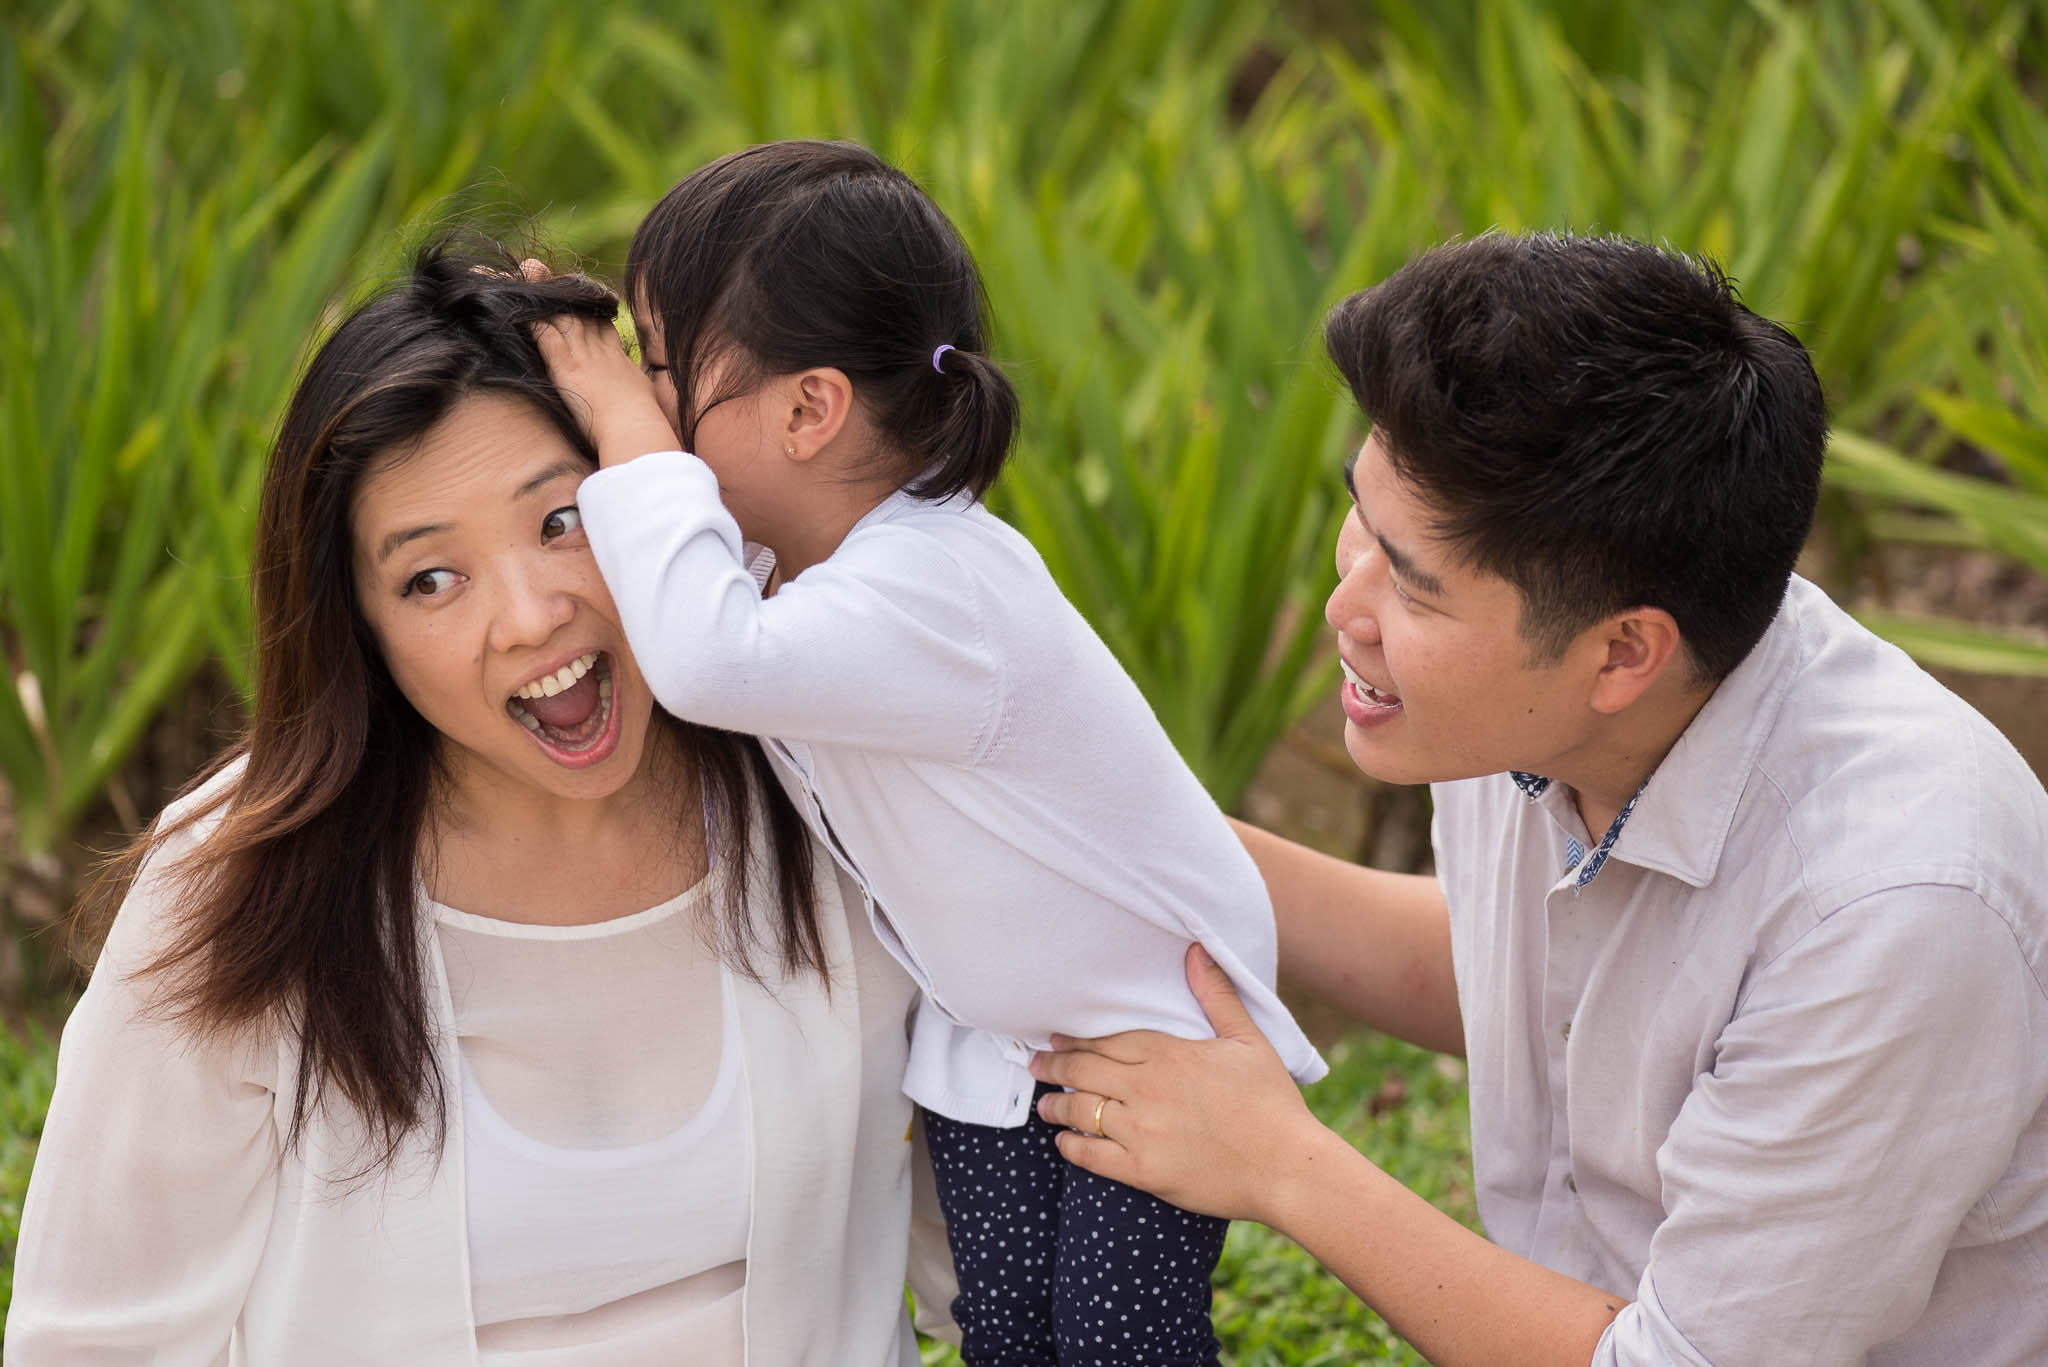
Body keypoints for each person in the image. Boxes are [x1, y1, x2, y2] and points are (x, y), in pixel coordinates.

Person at [1031, 232, 2048, 1366]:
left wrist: (1280, 1161)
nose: (1342, 607)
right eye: (1359, 522)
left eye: (1409, 584)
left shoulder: (1891, 909)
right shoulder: (1545, 707)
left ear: (1621, 655)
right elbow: (1535, 970)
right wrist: (1161, 851)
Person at [6, 238, 954, 1366]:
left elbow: (987, 1253)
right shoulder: (241, 887)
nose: (527, 615)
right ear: (362, 630)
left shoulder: (824, 791)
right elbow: (94, 1345)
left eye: (560, 521)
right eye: (430, 578)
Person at [528, 138, 1326, 1367]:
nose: (645, 407)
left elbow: (702, 658)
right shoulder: (827, 581)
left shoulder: (934, 586)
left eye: (668, 371)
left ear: (809, 409)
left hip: (1156, 1037)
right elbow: (702, 606)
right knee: (1003, 1331)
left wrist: (617, 417)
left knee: (1119, 1347)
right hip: (1000, 1046)